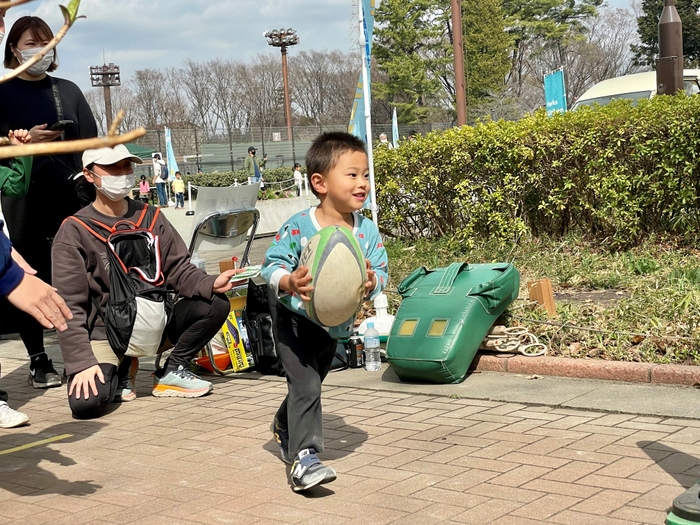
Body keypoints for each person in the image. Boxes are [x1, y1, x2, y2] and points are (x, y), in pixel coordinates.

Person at [51, 145, 239, 420]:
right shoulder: (74, 230)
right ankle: (122, 367)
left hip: (154, 322)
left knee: (214, 303)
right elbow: (68, 304)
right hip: (106, 335)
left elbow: (178, 268)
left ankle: (172, 371)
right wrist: (81, 362)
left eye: (127, 166)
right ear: (89, 175)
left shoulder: (151, 216)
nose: (123, 174)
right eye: (113, 168)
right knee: (87, 404)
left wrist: (210, 282)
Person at [261, 132, 389, 492]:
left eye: (365, 174)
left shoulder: (367, 231)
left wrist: (370, 282)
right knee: (306, 385)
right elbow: (269, 267)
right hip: (294, 322)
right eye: (351, 174)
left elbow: (381, 272)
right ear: (319, 182)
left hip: (334, 327)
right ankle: (304, 460)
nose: (362, 183)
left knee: (312, 383)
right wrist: (289, 281)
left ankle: (286, 423)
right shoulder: (299, 227)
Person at [0, 15, 98, 389]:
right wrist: (22, 144)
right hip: (21, 199)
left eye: (47, 43)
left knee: (76, 273)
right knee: (29, 273)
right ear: (14, 49)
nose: (40, 51)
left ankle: (82, 351)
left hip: (68, 198)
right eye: (31, 44)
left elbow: (90, 143)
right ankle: (38, 358)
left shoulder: (68, 90)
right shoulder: (3, 90)